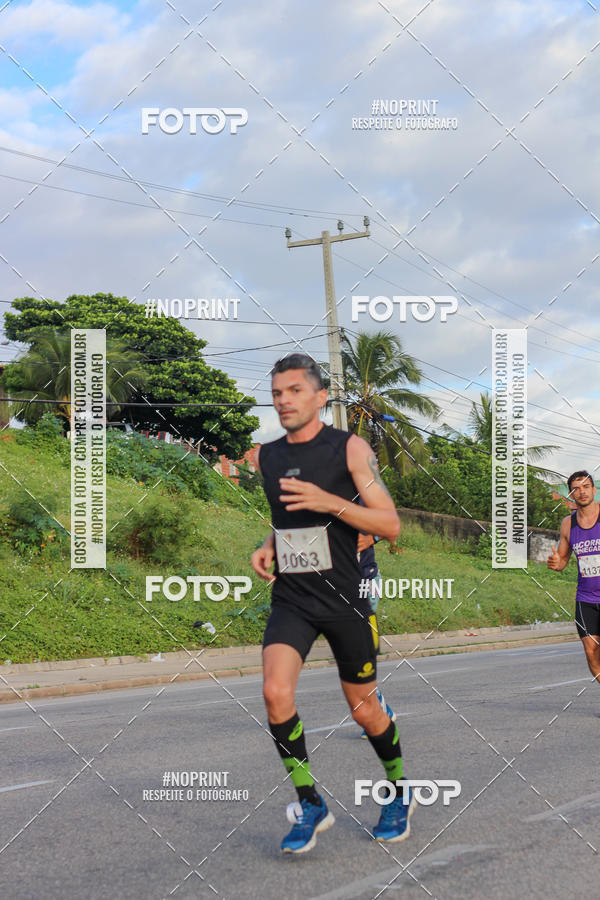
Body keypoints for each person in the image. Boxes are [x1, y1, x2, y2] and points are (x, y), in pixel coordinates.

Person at [251, 353, 414, 855]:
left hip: (345, 598)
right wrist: (269, 545)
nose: (284, 401)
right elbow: (289, 519)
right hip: (293, 597)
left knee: (364, 709)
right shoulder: (268, 457)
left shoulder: (350, 448)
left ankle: (398, 791)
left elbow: (389, 524)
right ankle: (310, 802)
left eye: (294, 391)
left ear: (320, 396)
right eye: (277, 393)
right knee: (275, 693)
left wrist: (330, 502)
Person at [547, 470, 600, 681]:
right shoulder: (568, 524)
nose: (582, 492)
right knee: (591, 651)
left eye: (586, 487)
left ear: (594, 490)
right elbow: (562, 560)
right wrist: (556, 563)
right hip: (585, 599)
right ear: (571, 495)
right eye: (576, 489)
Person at [356, 531, 396, 738]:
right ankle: (378, 709)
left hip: (366, 581)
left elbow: (391, 523)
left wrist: (374, 538)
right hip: (336, 585)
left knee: (357, 654)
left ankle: (377, 710)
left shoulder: (362, 507)